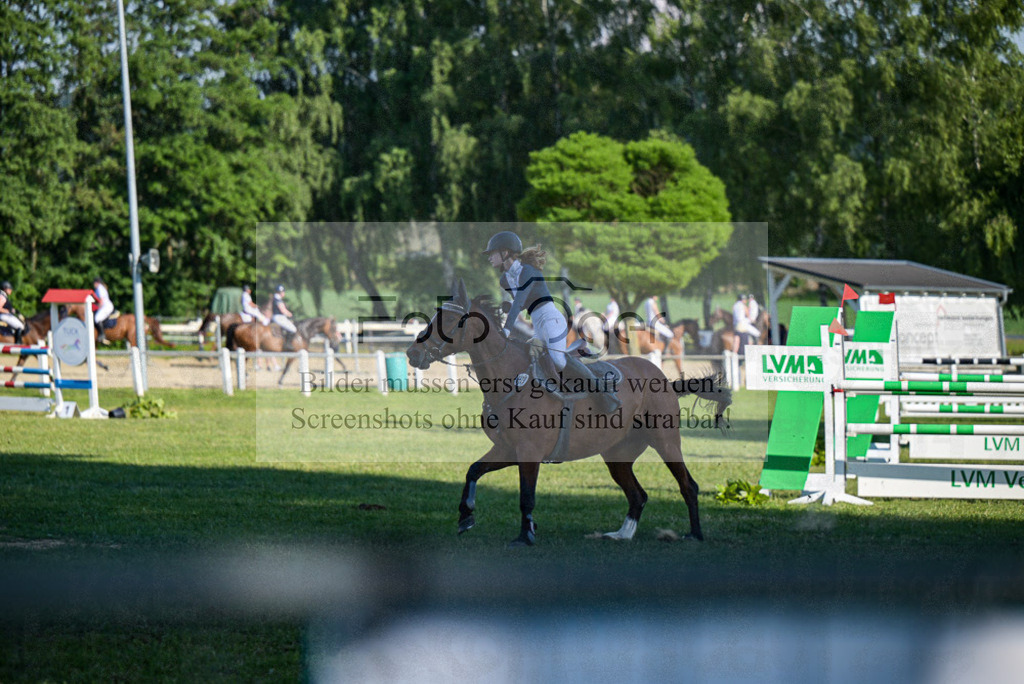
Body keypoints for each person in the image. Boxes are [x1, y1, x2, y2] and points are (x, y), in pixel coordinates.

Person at [484, 231, 620, 414]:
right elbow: (520, 303)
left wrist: (506, 330)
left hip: (550, 318)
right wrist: (507, 307)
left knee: (557, 360)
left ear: (505, 252)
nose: (490, 258)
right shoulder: (504, 280)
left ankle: (604, 394)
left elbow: (519, 302)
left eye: (492, 253)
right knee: (533, 360)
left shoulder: (528, 271)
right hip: (537, 322)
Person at [93, 277, 114, 343]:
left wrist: (97, 307)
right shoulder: (98, 289)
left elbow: (101, 301)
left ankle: (102, 335)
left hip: (106, 307)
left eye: (94, 282)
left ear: (96, 283)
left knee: (97, 318)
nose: (94, 284)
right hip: (103, 307)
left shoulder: (100, 288)